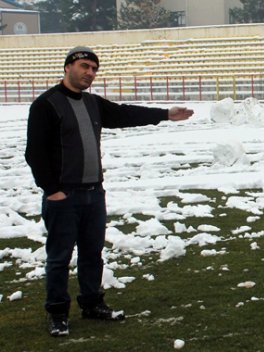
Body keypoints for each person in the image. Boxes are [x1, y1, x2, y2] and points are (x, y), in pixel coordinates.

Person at [24, 46, 194, 337]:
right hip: (63, 196)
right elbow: (35, 152)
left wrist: (165, 114)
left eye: (94, 69)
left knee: (93, 253)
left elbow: (124, 114)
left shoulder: (92, 104)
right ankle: (57, 313)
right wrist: (51, 190)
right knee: (59, 257)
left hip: (94, 193)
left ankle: (92, 304)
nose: (89, 73)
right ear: (68, 67)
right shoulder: (47, 104)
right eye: (84, 66)